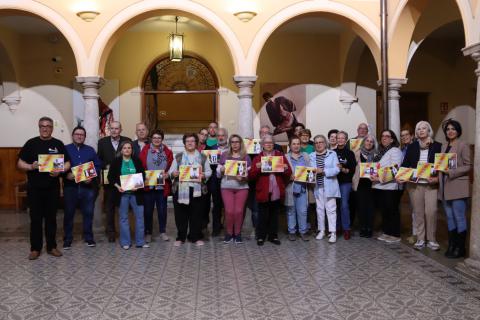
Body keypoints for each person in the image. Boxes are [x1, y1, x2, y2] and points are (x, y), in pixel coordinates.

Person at [18, 116, 71, 260]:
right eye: (42, 126)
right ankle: (35, 248)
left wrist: (60, 171)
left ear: (52, 128)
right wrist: (30, 166)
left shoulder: (58, 144)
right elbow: (20, 163)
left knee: (51, 219)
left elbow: (67, 164)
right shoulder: (31, 143)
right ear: (39, 127)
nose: (45, 128)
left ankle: (52, 247)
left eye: (48, 126)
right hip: (34, 188)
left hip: (52, 188)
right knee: (35, 219)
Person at [400, 121, 442, 250]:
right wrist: (402, 176)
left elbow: (442, 164)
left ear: (429, 131)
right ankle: (420, 238)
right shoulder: (412, 146)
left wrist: (436, 178)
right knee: (418, 212)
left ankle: (432, 239)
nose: (421, 130)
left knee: (431, 212)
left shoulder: (437, 146)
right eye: (419, 129)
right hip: (415, 185)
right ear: (416, 133)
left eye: (424, 128)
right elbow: (405, 164)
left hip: (431, 185)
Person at [169, 133, 212, 247]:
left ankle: (195, 237)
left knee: (196, 214)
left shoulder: (202, 157)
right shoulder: (178, 157)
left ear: (196, 143)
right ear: (184, 143)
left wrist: (203, 175)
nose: (190, 143)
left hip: (197, 189)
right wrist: (174, 173)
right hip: (181, 189)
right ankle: (180, 237)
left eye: (192, 141)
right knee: (180, 215)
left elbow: (209, 172)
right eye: (187, 141)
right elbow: (170, 172)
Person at [63, 126, 102, 250]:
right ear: (73, 135)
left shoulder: (90, 150)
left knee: (88, 213)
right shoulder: (65, 149)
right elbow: (59, 165)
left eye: (82, 135)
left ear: (84, 137)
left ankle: (88, 237)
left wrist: (91, 176)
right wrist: (66, 175)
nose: (79, 136)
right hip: (71, 187)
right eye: (77, 134)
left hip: (87, 187)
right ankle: (68, 239)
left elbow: (97, 165)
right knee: (69, 213)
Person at [249, 134, 291, 246]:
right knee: (262, 215)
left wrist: (285, 168)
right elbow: (251, 176)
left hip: (276, 190)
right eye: (266, 143)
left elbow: (289, 172)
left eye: (271, 143)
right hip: (263, 190)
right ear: (262, 145)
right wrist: (257, 167)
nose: (268, 145)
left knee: (274, 214)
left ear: (274, 144)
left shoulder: (279, 155)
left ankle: (273, 236)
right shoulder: (258, 157)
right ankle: (261, 236)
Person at [439, 119, 471, 258]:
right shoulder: (443, 146)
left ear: (458, 131)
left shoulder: (463, 145)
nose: (450, 131)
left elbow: (468, 165)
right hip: (445, 188)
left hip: (458, 186)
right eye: (448, 129)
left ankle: (460, 247)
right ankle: (452, 245)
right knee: (450, 218)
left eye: (453, 129)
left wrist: (451, 172)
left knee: (459, 218)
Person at [108, 141, 148, 250]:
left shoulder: (137, 160)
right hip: (122, 194)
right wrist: (117, 187)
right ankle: (125, 242)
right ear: (121, 150)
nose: (127, 150)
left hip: (136, 193)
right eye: (124, 148)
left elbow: (143, 176)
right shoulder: (116, 162)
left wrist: (138, 186)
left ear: (132, 150)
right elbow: (110, 177)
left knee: (140, 217)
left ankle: (140, 241)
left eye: (129, 148)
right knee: (123, 218)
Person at [97, 121, 131, 242]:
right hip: (109, 180)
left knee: (124, 206)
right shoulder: (102, 142)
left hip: (124, 180)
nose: (114, 130)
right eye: (112, 128)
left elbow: (131, 156)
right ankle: (111, 232)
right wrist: (105, 165)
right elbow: (98, 159)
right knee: (109, 207)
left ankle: (125, 231)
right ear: (109, 129)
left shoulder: (127, 140)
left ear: (120, 129)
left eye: (117, 128)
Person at [139, 129, 173, 243]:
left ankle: (163, 232)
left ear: (162, 139)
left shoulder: (167, 151)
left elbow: (171, 166)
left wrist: (168, 174)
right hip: (148, 186)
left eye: (159, 138)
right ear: (151, 139)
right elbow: (140, 165)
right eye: (154, 138)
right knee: (148, 210)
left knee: (162, 210)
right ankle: (148, 233)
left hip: (162, 186)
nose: (157, 140)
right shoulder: (145, 149)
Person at [217, 134, 251, 243]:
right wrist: (221, 170)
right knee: (229, 211)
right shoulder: (224, 155)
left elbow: (249, 175)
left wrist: (244, 177)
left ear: (240, 143)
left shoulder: (246, 156)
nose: (235, 144)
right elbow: (218, 173)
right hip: (226, 186)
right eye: (233, 142)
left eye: (237, 142)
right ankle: (229, 233)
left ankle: (237, 233)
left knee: (239, 211)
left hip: (242, 188)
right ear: (230, 144)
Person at [373, 130, 403, 243]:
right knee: (384, 210)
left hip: (390, 186)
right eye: (382, 136)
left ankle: (395, 234)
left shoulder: (395, 151)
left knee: (392, 210)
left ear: (392, 139)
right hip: (379, 187)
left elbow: (395, 169)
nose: (384, 138)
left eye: (387, 136)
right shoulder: (381, 152)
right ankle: (387, 232)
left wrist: (378, 178)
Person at [310, 135, 340, 243]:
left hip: (330, 186)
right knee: (319, 210)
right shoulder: (311, 155)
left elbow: (337, 169)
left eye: (321, 142)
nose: (318, 144)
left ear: (325, 143)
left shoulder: (332, 154)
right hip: (318, 187)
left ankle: (333, 232)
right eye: (316, 142)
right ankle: (321, 230)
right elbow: (309, 171)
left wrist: (323, 171)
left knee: (331, 210)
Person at [204, 127, 229, 237]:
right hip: (214, 180)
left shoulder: (232, 148)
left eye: (222, 135)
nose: (220, 137)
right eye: (218, 135)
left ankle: (229, 228)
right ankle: (216, 228)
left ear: (226, 136)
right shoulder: (211, 148)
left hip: (229, 179)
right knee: (217, 205)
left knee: (228, 205)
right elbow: (207, 165)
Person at [285, 136, 311, 241]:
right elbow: (282, 172)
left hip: (302, 188)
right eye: (294, 144)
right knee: (290, 211)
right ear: (290, 146)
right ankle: (292, 231)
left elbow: (310, 170)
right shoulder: (285, 157)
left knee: (303, 211)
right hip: (290, 188)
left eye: (298, 144)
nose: (296, 146)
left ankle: (303, 231)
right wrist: (288, 176)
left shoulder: (305, 156)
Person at [352, 134, 377, 238]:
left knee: (371, 208)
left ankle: (369, 228)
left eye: (371, 142)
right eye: (367, 141)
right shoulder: (356, 153)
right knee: (361, 207)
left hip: (372, 184)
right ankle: (362, 227)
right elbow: (352, 167)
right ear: (363, 142)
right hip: (360, 183)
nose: (369, 143)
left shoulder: (376, 154)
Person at [335, 131, 357, 240]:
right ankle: (337, 227)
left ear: (346, 140)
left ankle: (346, 229)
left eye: (342, 138)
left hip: (345, 182)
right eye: (338, 138)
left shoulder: (350, 153)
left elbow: (352, 170)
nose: (340, 140)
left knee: (344, 205)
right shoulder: (331, 152)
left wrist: (343, 169)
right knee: (335, 205)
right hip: (333, 182)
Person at [400, 128, 417, 244]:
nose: (404, 137)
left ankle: (417, 234)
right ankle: (415, 232)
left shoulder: (416, 147)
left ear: (411, 136)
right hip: (407, 181)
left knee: (416, 209)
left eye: (406, 135)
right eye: (402, 136)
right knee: (413, 208)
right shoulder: (403, 149)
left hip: (416, 180)